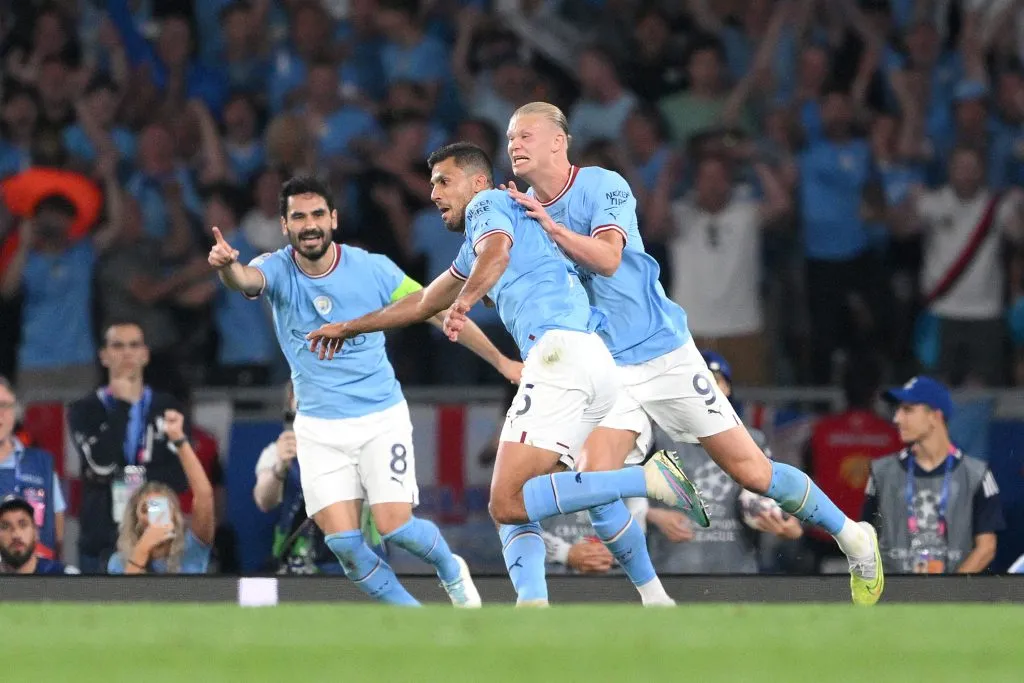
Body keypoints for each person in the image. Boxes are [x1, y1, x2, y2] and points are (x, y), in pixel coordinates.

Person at [502, 101, 883, 605]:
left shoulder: (604, 186)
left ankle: (852, 535)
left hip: (663, 353)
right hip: (602, 364)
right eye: (509, 138)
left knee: (752, 472)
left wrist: (551, 227)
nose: (514, 145)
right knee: (596, 479)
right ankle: (655, 599)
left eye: (526, 134)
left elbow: (610, 259)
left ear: (558, 140)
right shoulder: (521, 209)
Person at [306, 143, 703, 607]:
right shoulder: (497, 221)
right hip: (591, 361)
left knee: (505, 502)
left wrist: (467, 302)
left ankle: (647, 480)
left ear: (477, 182)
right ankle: (551, 603)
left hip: (559, 357)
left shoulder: (488, 206)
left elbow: (494, 253)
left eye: (443, 181)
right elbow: (423, 301)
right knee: (525, 501)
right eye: (431, 182)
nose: (433, 193)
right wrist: (350, 327)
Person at [208, 175, 523, 606]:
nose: (310, 224)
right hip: (318, 427)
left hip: (379, 417)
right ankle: (419, 622)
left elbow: (439, 311)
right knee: (344, 545)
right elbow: (245, 281)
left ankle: (451, 567)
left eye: (318, 214)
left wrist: (502, 361)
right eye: (298, 217)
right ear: (285, 226)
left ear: (333, 218)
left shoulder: (372, 269)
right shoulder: (276, 268)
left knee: (395, 526)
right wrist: (227, 266)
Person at [648, 352, 802, 574]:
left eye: (715, 381)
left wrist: (789, 526)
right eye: (698, 381)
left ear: (727, 389)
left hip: (737, 576)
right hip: (671, 574)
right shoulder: (657, 438)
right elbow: (617, 495)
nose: (706, 388)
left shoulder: (753, 441)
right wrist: (653, 515)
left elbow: (782, 498)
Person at [67, 321, 189, 573]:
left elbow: (178, 477)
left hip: (156, 534)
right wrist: (121, 407)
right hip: (102, 539)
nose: (126, 353)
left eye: (134, 345)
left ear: (145, 355)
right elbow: (100, 465)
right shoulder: (85, 410)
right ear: (104, 356)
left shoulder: (167, 407)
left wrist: (134, 476)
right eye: (118, 345)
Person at [863, 377, 1005, 574]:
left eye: (908, 410)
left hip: (954, 602)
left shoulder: (976, 474)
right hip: (893, 599)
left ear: (934, 416)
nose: (897, 419)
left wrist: (946, 593)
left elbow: (987, 548)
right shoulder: (882, 472)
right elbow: (864, 540)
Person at [107, 409, 215, 574]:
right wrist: (143, 548)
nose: (155, 514)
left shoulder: (192, 548)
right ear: (135, 519)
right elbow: (125, 597)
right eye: (146, 508)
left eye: (161, 506)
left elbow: (204, 495)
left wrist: (179, 439)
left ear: (175, 515)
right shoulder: (119, 561)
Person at [0, 376, 66, 560]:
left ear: (16, 411)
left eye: (4, 406)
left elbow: (57, 526)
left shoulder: (41, 463)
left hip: (35, 577)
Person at [0, 496, 78, 574]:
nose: (15, 535)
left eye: (23, 525)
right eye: (5, 527)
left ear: (36, 532)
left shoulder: (66, 576)